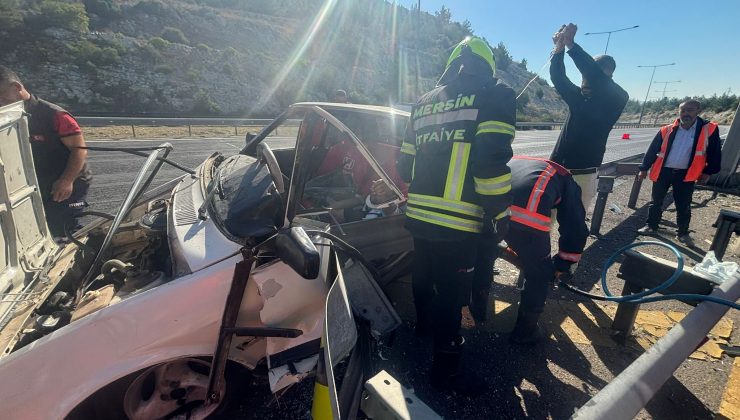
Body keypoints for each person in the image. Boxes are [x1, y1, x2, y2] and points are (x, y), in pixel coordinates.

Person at [397, 37, 515, 395]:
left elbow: (404, 165)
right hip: (460, 221)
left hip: (419, 212)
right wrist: (500, 212)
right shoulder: (496, 95)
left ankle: (422, 329)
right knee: (451, 293)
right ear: (488, 66)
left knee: (423, 273)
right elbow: (490, 161)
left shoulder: (424, 102)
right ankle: (446, 372)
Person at [470, 157, 589, 344]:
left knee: (485, 254)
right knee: (539, 273)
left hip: (491, 209)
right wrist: (562, 264)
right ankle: (525, 332)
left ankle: (476, 310)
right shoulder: (565, 179)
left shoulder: (518, 160)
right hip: (526, 217)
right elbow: (575, 227)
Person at [0, 65, 92, 238]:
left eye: (2, 98)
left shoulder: (55, 115)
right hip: (36, 183)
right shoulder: (9, 117)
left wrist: (66, 180)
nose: (1, 104)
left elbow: (79, 150)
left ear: (16, 88)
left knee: (63, 230)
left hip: (66, 181)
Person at [548, 23, 629, 210]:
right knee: (545, 219)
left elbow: (593, 75)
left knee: (574, 226)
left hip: (584, 174)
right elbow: (558, 78)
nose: (584, 80)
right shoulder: (579, 98)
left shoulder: (618, 97)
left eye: (588, 75)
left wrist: (572, 46)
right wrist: (558, 50)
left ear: (608, 76)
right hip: (556, 168)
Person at [636, 100, 721, 246]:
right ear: (679, 111)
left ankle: (683, 233)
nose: (686, 113)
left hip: (686, 174)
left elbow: (714, 153)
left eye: (690, 110)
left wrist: (708, 172)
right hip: (664, 171)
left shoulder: (708, 129)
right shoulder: (667, 129)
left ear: (698, 111)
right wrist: (644, 168)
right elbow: (652, 150)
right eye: (683, 110)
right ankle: (651, 226)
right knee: (656, 201)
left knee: (683, 205)